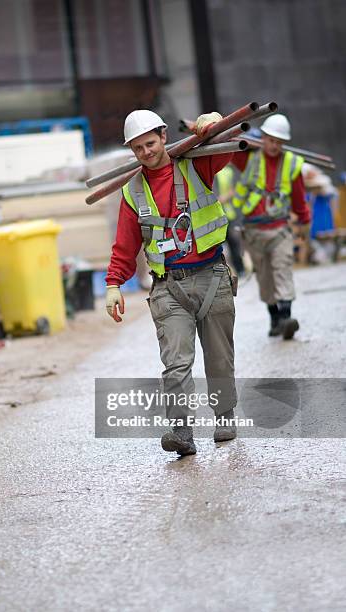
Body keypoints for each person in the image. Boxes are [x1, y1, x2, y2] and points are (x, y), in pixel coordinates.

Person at [105, 109, 237, 456]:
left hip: (212, 277)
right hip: (169, 287)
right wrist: (113, 284)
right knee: (176, 364)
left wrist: (212, 123)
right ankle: (181, 432)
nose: (146, 153)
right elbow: (125, 244)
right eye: (137, 149)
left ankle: (224, 415)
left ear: (163, 136)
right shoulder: (133, 192)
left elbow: (231, 145)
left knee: (219, 359)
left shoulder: (197, 164)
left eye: (150, 144)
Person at [231, 114, 310, 339]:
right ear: (262, 138)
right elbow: (225, 151)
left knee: (283, 270)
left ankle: (286, 318)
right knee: (264, 277)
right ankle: (275, 319)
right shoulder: (248, 159)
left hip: (279, 230)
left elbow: (298, 198)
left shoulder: (292, 164)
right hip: (253, 232)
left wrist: (304, 222)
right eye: (270, 139)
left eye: (279, 141)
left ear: (284, 142)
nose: (274, 145)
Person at [214, 165, 245, 276]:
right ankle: (233, 271)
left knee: (233, 244)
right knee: (225, 247)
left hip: (228, 215)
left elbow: (235, 191)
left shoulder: (228, 171)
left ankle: (240, 270)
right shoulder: (224, 171)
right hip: (219, 216)